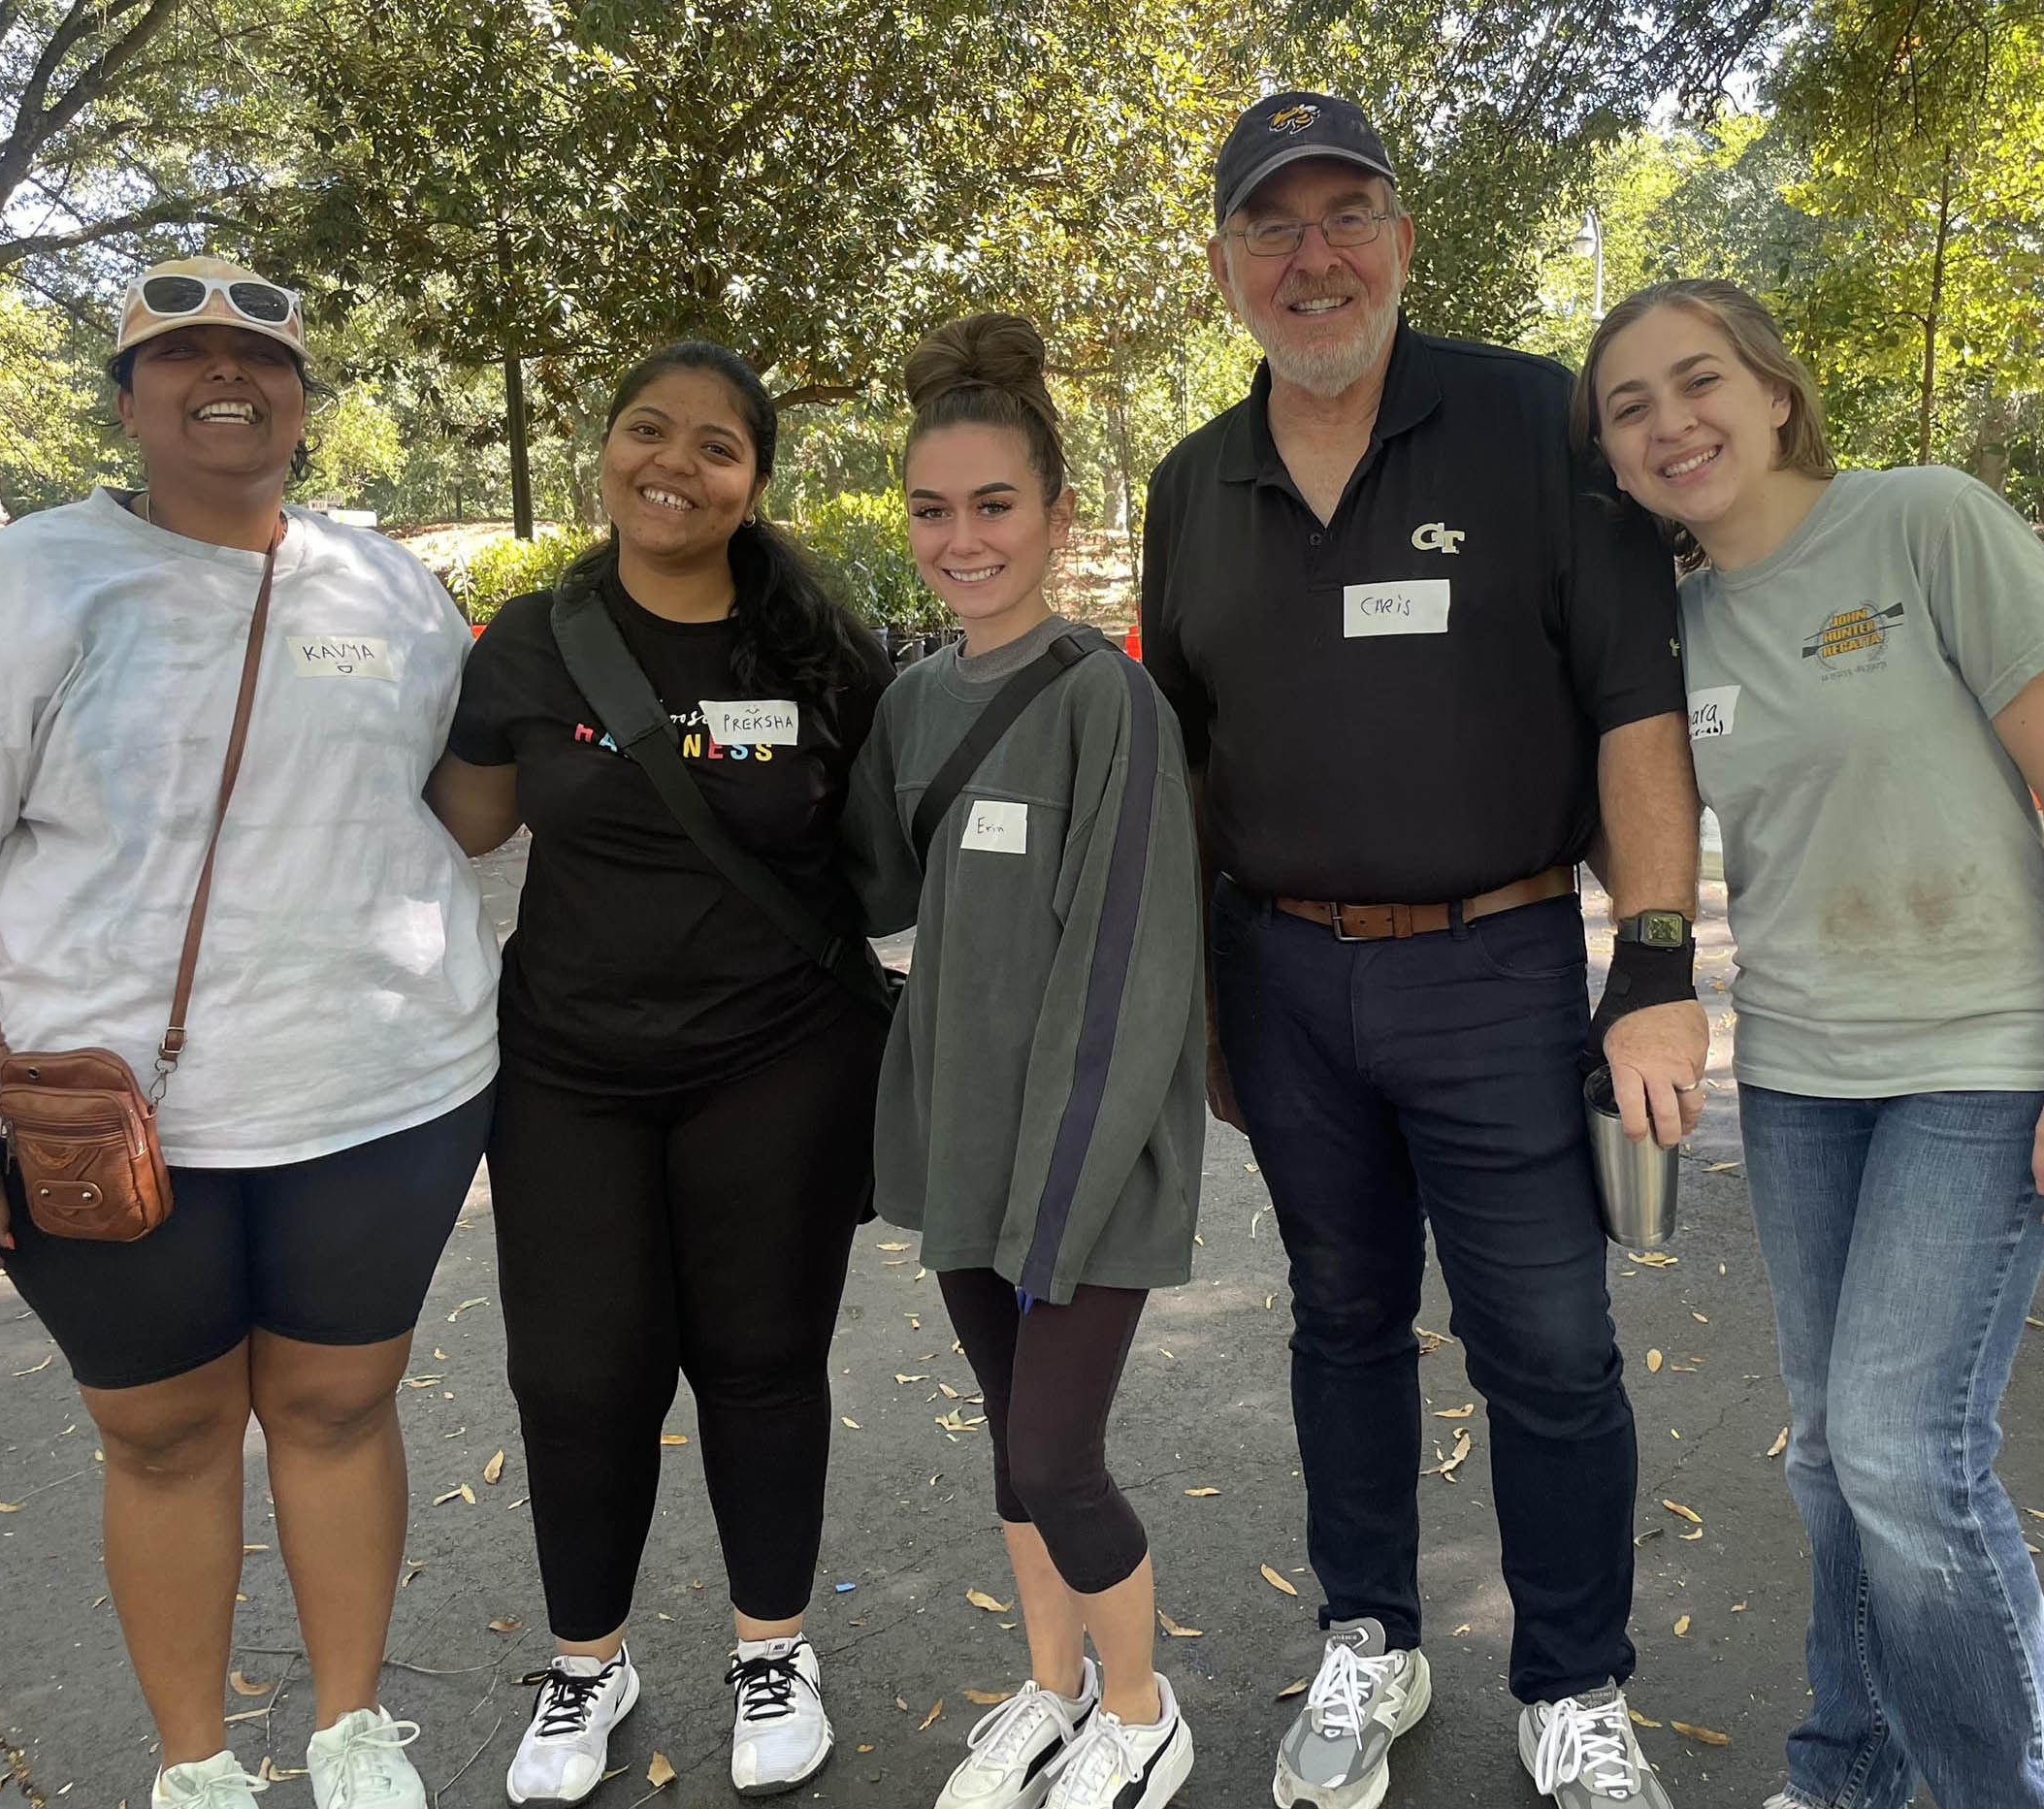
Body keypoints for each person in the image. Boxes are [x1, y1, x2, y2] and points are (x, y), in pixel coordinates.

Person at [0, 255, 502, 1809]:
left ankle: (352, 1731)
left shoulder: (389, 585)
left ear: (306, 404)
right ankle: (195, 1765)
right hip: (105, 1120)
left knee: (339, 1405)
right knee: (165, 1434)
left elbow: (465, 801)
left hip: (382, 1096)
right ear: (127, 397)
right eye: (182, 352)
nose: (228, 376)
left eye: (262, 356)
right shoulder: (17, 591)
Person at [1138, 93, 1708, 1809]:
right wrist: (1192, 1005)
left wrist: (1660, 964)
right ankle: (1371, 1639)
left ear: (1401, 232)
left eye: (1347, 214)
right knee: (1340, 1319)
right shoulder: (1191, 485)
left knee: (1549, 1343)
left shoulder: (1534, 423)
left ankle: (1574, 1683)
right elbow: (1177, 763)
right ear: (1229, 263)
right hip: (1284, 980)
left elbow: (1635, 706)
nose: (1314, 257)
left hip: (1500, 964)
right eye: (1272, 225)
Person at [1575, 278, 2044, 1809]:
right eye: (1629, 408)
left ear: (1771, 387)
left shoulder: (1924, 521)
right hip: (1809, 1077)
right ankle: (1852, 1763)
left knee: (1906, 1451)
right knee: (1832, 1451)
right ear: (1612, 461)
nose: (1670, 423)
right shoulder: (1673, 629)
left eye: (1696, 382)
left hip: (1986, 1056)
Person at [425, 340, 892, 1805]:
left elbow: (892, 845)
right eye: (648, 432)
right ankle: (587, 1663)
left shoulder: (819, 646)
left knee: (758, 1361)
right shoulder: (528, 641)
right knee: (576, 1376)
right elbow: (468, 829)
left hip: (778, 1059)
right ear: (605, 450)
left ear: (755, 483)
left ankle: (773, 1647)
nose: (674, 467)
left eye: (715, 447)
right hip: (568, 1069)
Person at [844, 314, 1205, 1809]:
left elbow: (1127, 972)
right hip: (967, 1152)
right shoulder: (915, 698)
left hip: (1089, 1166)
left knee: (1059, 1452)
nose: (962, 537)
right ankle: (1047, 1692)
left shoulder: (1107, 702)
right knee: (1010, 1442)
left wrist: (1057, 1190)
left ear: (1057, 515)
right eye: (933, 508)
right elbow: (871, 885)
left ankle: (1142, 1710)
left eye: (995, 505)